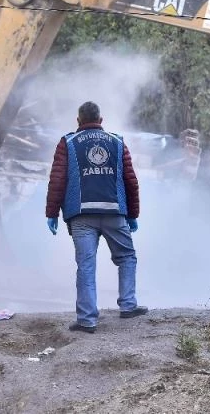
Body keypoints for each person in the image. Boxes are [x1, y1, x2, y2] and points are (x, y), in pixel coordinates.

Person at [45, 101, 146, 333]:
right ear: (101, 120)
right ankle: (128, 305)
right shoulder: (117, 142)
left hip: (81, 215)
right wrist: (133, 214)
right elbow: (131, 181)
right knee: (127, 257)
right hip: (114, 213)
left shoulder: (68, 142)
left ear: (78, 120)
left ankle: (87, 320)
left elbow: (57, 180)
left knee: (86, 266)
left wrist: (52, 213)